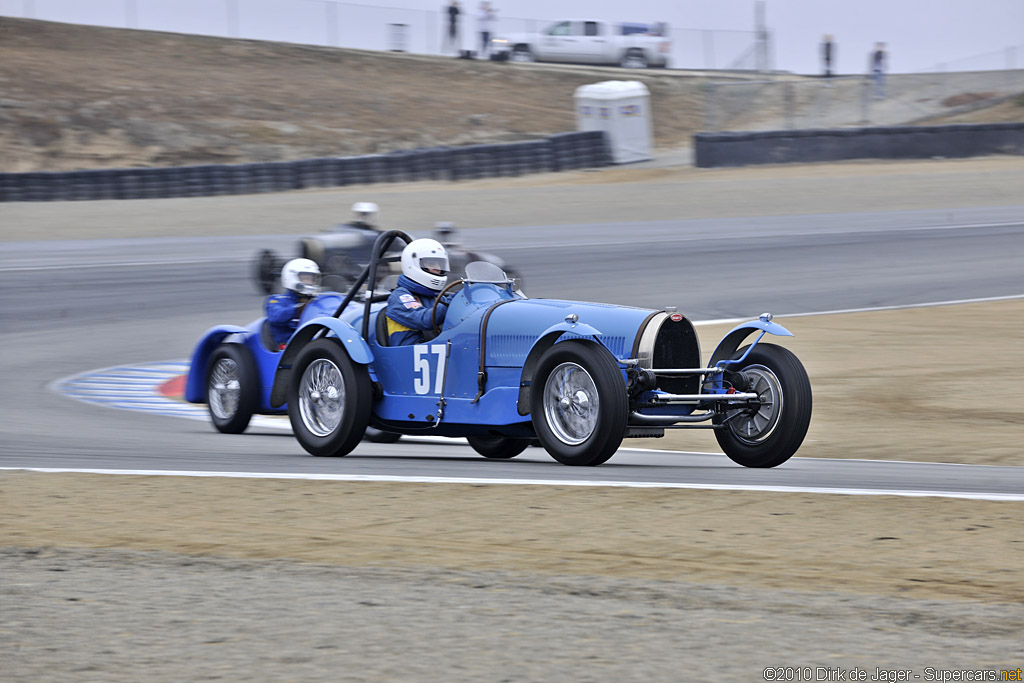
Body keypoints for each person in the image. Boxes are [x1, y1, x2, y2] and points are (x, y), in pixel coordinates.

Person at [384, 238, 451, 346]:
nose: (438, 268)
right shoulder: (400, 296)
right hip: (408, 357)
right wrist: (452, 303)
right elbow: (424, 320)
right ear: (413, 264)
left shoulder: (435, 297)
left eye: (440, 264)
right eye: (431, 263)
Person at [265, 258, 321, 348]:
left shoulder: (315, 300)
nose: (310, 282)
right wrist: (297, 310)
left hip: (313, 342)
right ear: (291, 277)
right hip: (287, 346)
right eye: (306, 279)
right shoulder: (276, 300)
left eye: (312, 279)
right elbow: (276, 317)